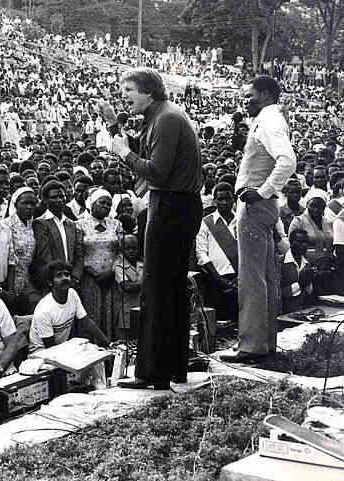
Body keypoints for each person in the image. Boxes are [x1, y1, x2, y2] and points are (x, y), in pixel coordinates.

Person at [108, 68, 203, 389]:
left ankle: (152, 373)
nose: (125, 96)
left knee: (157, 290)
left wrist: (124, 153)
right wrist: (114, 127)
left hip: (170, 205)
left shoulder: (166, 119)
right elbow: (149, 151)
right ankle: (174, 368)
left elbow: (157, 172)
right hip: (176, 205)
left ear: (149, 91)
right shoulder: (163, 115)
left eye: (129, 89)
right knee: (172, 291)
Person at [220, 76, 296, 364]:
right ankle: (264, 343)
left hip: (255, 204)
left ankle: (251, 345)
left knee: (252, 277)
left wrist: (262, 190)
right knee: (264, 276)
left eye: (249, 96)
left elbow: (287, 160)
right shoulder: (269, 117)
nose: (245, 101)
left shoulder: (268, 120)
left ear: (265, 95)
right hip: (262, 205)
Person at [29, 261, 109, 353]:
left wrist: (108, 343)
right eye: (59, 275)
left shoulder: (72, 294)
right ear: (50, 282)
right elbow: (50, 348)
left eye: (67, 274)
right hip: (41, 353)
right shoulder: (44, 309)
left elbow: (86, 322)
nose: (64, 278)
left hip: (60, 348)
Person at [75, 188, 123, 339]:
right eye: (102, 202)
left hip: (112, 278)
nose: (105, 206)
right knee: (90, 314)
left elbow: (122, 252)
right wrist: (93, 272)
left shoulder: (116, 224)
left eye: (109, 204)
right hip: (89, 279)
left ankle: (111, 353)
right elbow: (78, 253)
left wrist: (113, 271)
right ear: (92, 203)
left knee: (112, 315)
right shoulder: (80, 224)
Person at [194, 182, 239, 323]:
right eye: (220, 199)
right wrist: (220, 280)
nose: (224, 202)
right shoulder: (205, 223)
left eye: (228, 198)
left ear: (234, 199)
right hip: (215, 281)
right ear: (215, 200)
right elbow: (201, 255)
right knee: (218, 325)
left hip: (240, 280)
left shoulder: (242, 221)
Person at [31, 180, 83, 291]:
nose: (59, 200)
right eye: (54, 197)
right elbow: (45, 256)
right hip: (53, 281)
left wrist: (75, 277)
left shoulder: (71, 224)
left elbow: (78, 254)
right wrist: (60, 277)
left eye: (62, 196)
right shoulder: (40, 223)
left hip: (72, 281)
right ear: (45, 200)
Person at [2, 187, 38, 306]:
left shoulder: (34, 224)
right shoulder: (5, 225)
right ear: (15, 204)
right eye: (25, 203)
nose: (29, 207)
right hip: (10, 281)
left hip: (29, 281)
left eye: (32, 204)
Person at [113, 234, 144, 337]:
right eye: (127, 248)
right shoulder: (119, 266)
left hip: (142, 312)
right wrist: (147, 282)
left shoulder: (142, 265)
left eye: (134, 248)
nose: (131, 251)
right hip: (126, 315)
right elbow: (128, 287)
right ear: (122, 250)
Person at [280, 228, 315, 313]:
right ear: (290, 242)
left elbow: (311, 294)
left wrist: (309, 284)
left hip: (307, 311)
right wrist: (299, 284)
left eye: (306, 242)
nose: (303, 245)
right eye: (299, 242)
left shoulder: (308, 263)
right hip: (286, 313)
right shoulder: (280, 263)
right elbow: (278, 294)